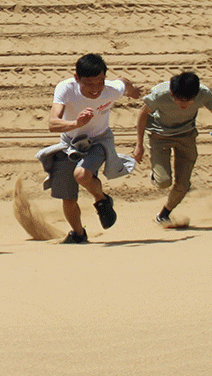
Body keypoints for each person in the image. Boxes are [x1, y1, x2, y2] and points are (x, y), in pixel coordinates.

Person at [40, 53, 143, 243]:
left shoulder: (111, 89)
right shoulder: (66, 89)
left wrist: (134, 90)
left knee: (82, 175)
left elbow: (123, 82)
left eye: (100, 82)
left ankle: (102, 200)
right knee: (68, 198)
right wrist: (76, 123)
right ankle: (78, 234)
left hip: (98, 140)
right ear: (77, 78)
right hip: (69, 143)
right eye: (89, 83)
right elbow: (52, 124)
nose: (95, 89)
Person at [131, 70, 212, 226]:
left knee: (183, 184)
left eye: (189, 101)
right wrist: (139, 145)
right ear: (172, 93)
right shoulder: (160, 94)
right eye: (179, 100)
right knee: (163, 182)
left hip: (186, 135)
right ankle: (156, 174)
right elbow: (142, 114)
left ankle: (164, 214)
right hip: (158, 136)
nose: (184, 105)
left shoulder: (203, 93)